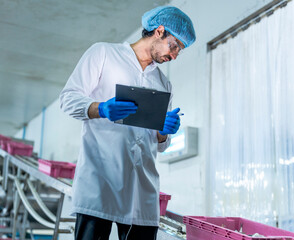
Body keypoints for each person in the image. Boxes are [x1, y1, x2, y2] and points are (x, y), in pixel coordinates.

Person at [59, 5, 196, 240]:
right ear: (159, 31)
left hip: (142, 193)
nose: (174, 55)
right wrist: (100, 108)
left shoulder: (164, 84)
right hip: (100, 184)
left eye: (179, 51)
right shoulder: (104, 54)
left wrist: (163, 133)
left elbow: (160, 145)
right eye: (174, 46)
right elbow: (68, 98)